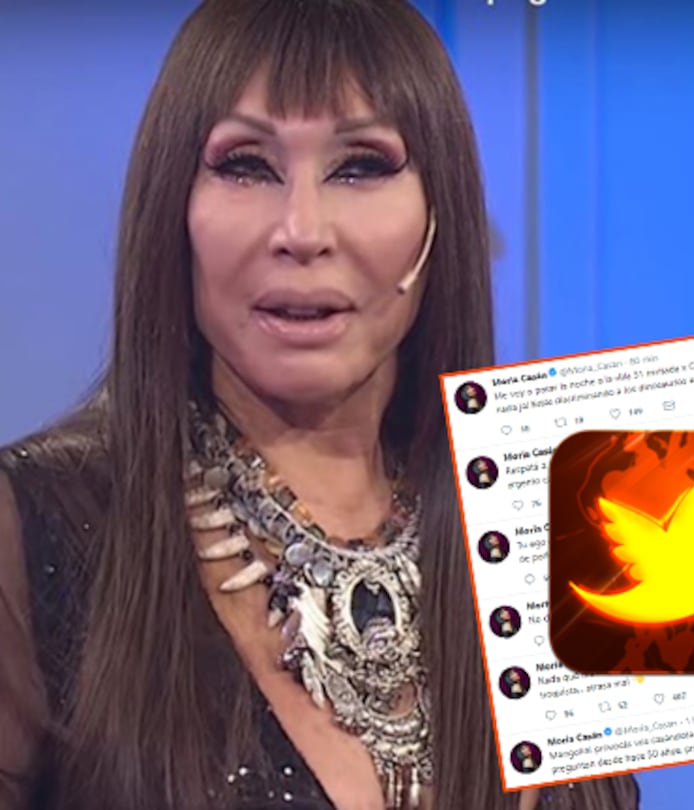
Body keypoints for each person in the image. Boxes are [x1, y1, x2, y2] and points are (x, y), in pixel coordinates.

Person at [0, 2, 639, 809]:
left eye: (361, 166)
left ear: (438, 217)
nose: (302, 231)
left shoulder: (559, 528)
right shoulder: (37, 524)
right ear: (173, 209)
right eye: (246, 165)